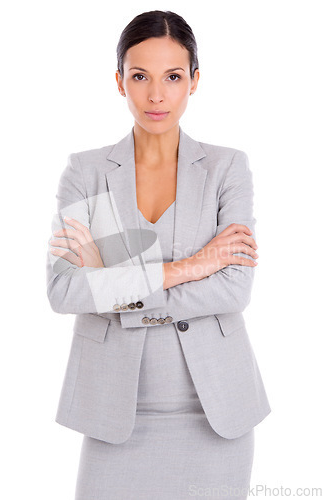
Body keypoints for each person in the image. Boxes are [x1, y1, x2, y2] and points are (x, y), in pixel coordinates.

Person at [46, 9, 271, 500]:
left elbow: (235, 286)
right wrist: (193, 266)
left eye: (172, 76)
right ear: (119, 81)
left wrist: (114, 286)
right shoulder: (86, 172)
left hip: (214, 412)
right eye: (140, 76)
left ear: (194, 80)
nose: (156, 95)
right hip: (113, 413)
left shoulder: (226, 168)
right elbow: (65, 290)